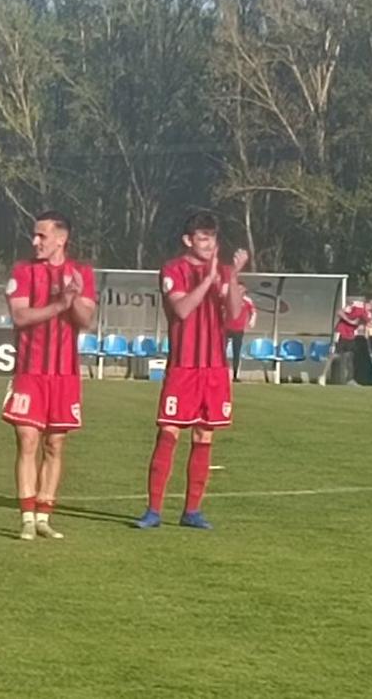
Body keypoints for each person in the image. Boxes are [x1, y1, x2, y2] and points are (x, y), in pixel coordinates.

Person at [135, 211, 247, 531]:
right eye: (202, 238)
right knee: (169, 432)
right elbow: (182, 309)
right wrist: (209, 281)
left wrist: (234, 276)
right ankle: (153, 510)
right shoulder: (174, 269)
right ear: (188, 240)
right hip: (183, 365)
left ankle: (192, 511)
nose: (209, 244)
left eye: (212, 238)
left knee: (204, 434)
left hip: (213, 367)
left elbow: (235, 315)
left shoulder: (223, 272)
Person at [1, 211, 97, 541]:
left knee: (55, 444)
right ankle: (26, 516)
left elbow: (85, 320)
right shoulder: (23, 271)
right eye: (35, 235)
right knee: (27, 439)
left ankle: (44, 514)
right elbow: (20, 315)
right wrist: (60, 304)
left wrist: (73, 301)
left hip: (65, 374)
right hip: (30, 371)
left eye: (42, 236)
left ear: (61, 238)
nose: (35, 241)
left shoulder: (82, 273)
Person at [323, 295, 372, 387]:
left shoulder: (368, 314)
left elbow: (366, 324)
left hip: (351, 335)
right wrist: (350, 321)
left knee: (350, 356)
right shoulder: (356, 305)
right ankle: (323, 375)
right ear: (370, 301)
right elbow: (339, 312)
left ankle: (350, 379)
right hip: (341, 332)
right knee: (335, 355)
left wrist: (366, 330)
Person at [226, 286, 256, 382]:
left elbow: (253, 312)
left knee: (236, 352)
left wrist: (252, 321)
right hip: (226, 328)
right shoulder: (229, 298)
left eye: (242, 289)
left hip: (238, 329)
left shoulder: (247, 300)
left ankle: (235, 375)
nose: (240, 291)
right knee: (221, 352)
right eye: (238, 288)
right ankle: (221, 373)